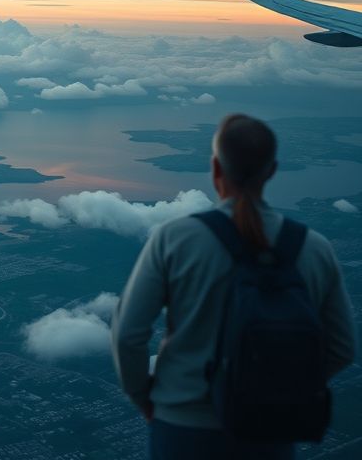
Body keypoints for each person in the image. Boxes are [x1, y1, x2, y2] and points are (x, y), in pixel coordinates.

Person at [110, 114, 355, 459]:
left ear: (215, 168)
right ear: (271, 171)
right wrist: (284, 389)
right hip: (271, 428)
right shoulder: (314, 248)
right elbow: (342, 348)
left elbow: (127, 335)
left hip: (182, 426)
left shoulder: (175, 238)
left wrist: (145, 398)